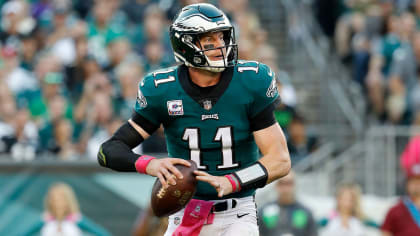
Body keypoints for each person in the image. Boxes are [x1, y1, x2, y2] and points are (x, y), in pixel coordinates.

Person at [98, 3, 291, 236]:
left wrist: (234, 180)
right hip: (185, 212)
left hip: (237, 214)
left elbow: (280, 160)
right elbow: (108, 151)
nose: (221, 46)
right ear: (186, 45)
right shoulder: (162, 90)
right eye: (210, 41)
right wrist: (151, 164)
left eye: (222, 38)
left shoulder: (250, 83)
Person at [22, 182, 110, 236]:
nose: (57, 202)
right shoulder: (45, 220)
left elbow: (102, 233)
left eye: (60, 198)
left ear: (68, 200)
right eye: (53, 198)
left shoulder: (76, 219)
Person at [258, 170, 318, 236]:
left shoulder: (305, 212)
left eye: (289, 183)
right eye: (282, 183)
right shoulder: (264, 211)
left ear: (295, 185)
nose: (285, 188)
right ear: (276, 186)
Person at [381, 135, 420, 236]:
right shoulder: (395, 211)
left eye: (419, 181)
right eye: (413, 181)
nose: (416, 185)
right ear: (407, 184)